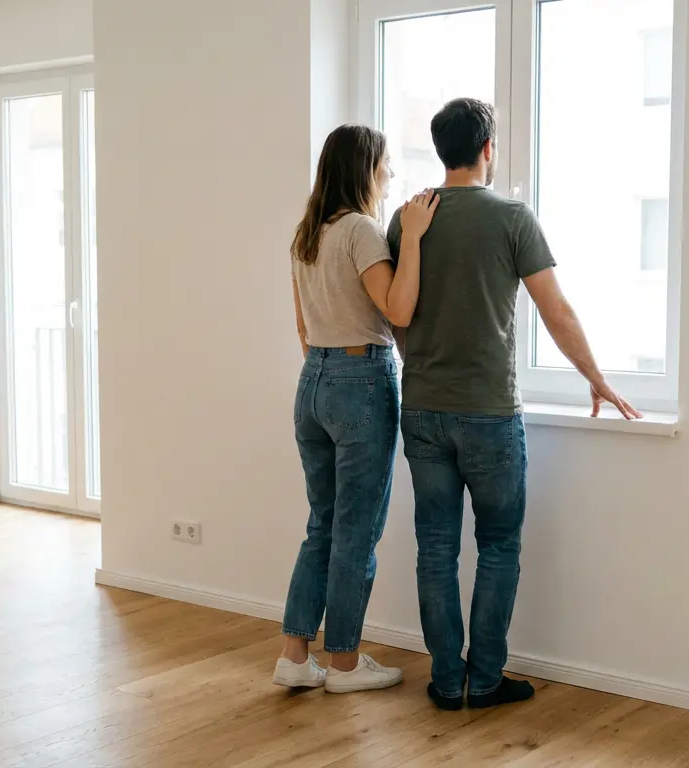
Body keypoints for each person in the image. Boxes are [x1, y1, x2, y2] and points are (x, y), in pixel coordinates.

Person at [388, 98, 641, 711]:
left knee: (435, 548)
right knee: (498, 544)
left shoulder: (407, 219)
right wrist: (597, 377)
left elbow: (395, 313)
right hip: (490, 413)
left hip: (422, 407)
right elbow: (556, 311)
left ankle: (447, 681)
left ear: (440, 148)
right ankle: (486, 678)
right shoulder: (511, 217)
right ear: (488, 149)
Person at [272, 124, 440, 694]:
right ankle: (343, 663)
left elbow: (302, 326)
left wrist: (326, 370)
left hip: (312, 379)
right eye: (386, 164)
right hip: (360, 377)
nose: (391, 175)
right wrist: (412, 238)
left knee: (322, 522)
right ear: (364, 168)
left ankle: (296, 655)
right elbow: (399, 311)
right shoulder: (362, 231)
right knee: (356, 531)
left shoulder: (307, 235)